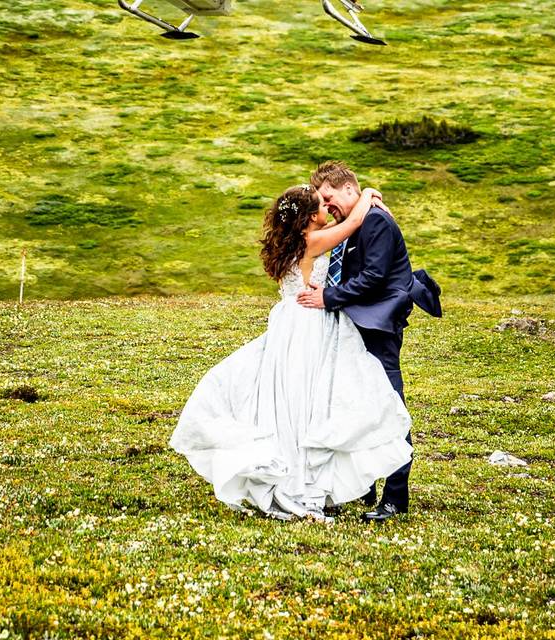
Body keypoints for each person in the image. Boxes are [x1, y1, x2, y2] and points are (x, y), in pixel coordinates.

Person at [169, 184, 413, 521]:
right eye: (321, 204)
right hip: (308, 324)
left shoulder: (298, 240)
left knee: (289, 397)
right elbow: (355, 222)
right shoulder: (312, 241)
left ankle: (315, 476)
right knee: (306, 399)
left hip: (289, 322)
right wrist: (369, 192)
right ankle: (304, 481)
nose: (327, 206)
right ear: (311, 215)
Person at [298, 160, 442, 522]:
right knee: (357, 405)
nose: (327, 206)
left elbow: (375, 277)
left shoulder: (375, 220)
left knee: (390, 409)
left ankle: (395, 498)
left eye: (329, 197)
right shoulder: (359, 217)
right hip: (357, 325)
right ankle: (363, 487)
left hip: (378, 327)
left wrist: (327, 298)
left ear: (349, 188)